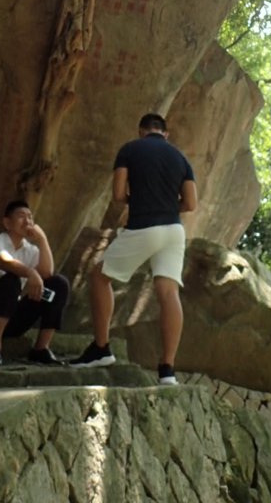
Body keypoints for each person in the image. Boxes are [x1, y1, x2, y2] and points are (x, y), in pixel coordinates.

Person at [71, 112, 197, 385]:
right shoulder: (181, 158)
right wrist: (166, 205)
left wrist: (141, 201)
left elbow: (118, 195)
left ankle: (102, 348)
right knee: (168, 292)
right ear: (166, 133)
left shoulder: (130, 149)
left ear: (142, 131)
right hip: (174, 231)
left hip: (144, 226)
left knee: (99, 276)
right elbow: (190, 203)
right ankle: (167, 371)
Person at [0, 199, 70, 366]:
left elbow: (46, 273)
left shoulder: (31, 250)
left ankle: (41, 348)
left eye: (30, 217)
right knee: (11, 279)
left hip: (12, 318)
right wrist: (30, 273)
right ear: (7, 223)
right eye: (21, 216)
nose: (27, 221)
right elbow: (5, 262)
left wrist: (43, 240)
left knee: (59, 284)